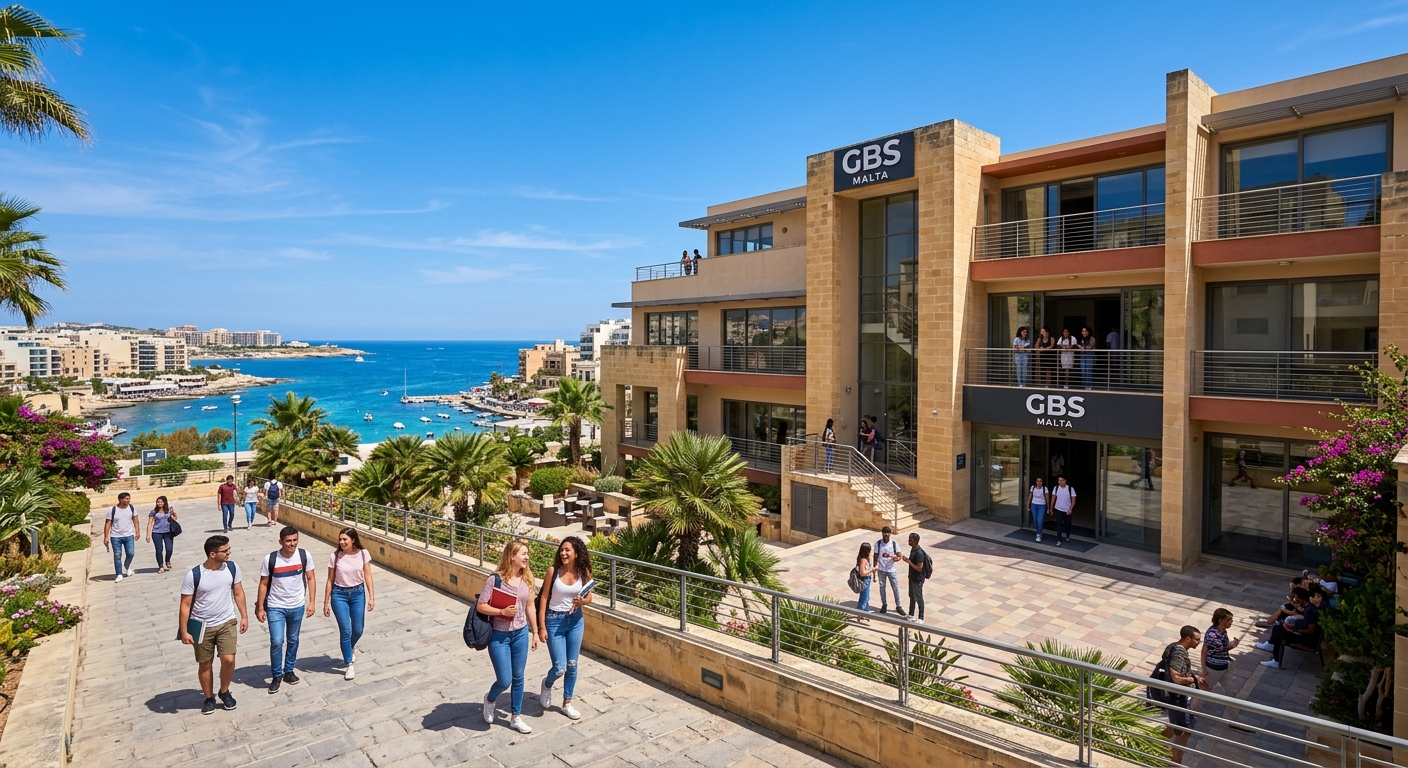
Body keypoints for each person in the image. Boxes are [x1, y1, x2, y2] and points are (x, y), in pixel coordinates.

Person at [179, 535, 249, 716]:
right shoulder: (194, 575)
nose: (229, 553)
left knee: (229, 660)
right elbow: (185, 605)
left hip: (226, 621)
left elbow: (239, 592)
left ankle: (224, 691)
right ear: (212, 554)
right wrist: (185, 630)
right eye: (225, 551)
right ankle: (209, 698)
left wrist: (244, 616)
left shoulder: (232, 568)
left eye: (228, 549)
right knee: (205, 664)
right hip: (201, 625)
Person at [480, 540, 540, 733]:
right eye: (523, 554)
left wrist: (536, 632)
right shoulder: (495, 579)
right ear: (512, 556)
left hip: (520, 633)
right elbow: (481, 605)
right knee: (504, 680)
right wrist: (501, 611)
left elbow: (530, 605)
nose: (527, 557)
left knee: (519, 677)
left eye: (527, 554)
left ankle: (516, 716)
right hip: (499, 636)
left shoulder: (527, 579)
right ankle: (490, 699)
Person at [537, 536, 591, 720]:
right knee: (560, 667)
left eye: (567, 550)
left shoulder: (583, 571)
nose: (563, 553)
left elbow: (589, 596)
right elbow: (543, 598)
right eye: (562, 549)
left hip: (575, 620)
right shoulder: (553, 571)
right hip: (554, 621)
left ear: (577, 553)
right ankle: (547, 683)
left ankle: (567, 703)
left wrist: (583, 601)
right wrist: (541, 627)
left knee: (572, 664)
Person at [256, 527, 316, 694]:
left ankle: (288, 670)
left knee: (293, 639)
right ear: (280, 541)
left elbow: (310, 578)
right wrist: (260, 607)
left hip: (297, 605)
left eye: (295, 540)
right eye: (289, 541)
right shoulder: (271, 559)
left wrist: (312, 602)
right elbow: (263, 584)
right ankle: (276, 675)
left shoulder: (304, 556)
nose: (292, 544)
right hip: (276, 606)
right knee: (276, 641)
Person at [323, 527, 374, 681]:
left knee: (358, 630)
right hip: (339, 595)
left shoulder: (363, 554)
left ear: (353, 540)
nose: (342, 542)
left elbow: (368, 575)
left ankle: (348, 648)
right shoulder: (335, 557)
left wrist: (372, 596)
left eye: (345, 539)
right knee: (346, 630)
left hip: (358, 593)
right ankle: (349, 664)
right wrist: (325, 602)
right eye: (340, 539)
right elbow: (330, 580)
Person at [1160, 626, 1206, 765]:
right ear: (1188, 639)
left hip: (1177, 697)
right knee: (1184, 732)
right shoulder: (1179, 654)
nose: (1199, 642)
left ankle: (1152, 743)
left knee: (1176, 727)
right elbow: (1176, 678)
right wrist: (1192, 680)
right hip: (1178, 698)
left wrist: (1194, 677)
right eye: (1197, 640)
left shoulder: (1172, 646)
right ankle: (1174, 764)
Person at [1259, 589, 1322, 669]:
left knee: (1278, 631)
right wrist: (1292, 627)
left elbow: (1310, 630)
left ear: (1300, 597)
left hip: (1306, 638)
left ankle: (1276, 660)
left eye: (1296, 597)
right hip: (1301, 633)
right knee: (1279, 627)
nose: (1295, 599)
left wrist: (1295, 630)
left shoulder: (1310, 610)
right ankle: (1272, 648)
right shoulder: (1308, 608)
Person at [895, 532, 932, 622]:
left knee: (919, 598)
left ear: (915, 541)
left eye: (910, 540)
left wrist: (909, 562)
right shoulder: (913, 549)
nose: (909, 541)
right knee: (911, 596)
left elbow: (919, 568)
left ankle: (921, 617)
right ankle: (911, 614)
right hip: (912, 577)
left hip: (918, 579)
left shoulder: (919, 553)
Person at [103, 492, 140, 582]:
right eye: (126, 499)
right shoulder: (112, 510)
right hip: (116, 536)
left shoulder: (132, 508)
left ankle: (127, 566)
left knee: (130, 553)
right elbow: (108, 523)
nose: (128, 500)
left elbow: (136, 520)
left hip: (129, 535)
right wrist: (106, 537)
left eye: (129, 499)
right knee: (117, 555)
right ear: (120, 499)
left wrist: (137, 531)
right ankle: (119, 574)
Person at [1201, 608, 1239, 695]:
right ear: (1221, 621)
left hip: (1224, 664)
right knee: (1205, 688)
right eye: (1229, 620)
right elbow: (1217, 648)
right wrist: (1204, 668)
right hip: (1214, 667)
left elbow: (1222, 648)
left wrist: (1231, 645)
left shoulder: (1223, 631)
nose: (1231, 622)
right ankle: (1193, 707)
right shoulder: (1212, 634)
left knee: (1229, 687)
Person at [871, 526, 902, 615]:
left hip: (891, 570)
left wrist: (896, 558)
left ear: (890, 534)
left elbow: (899, 555)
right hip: (881, 570)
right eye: (884, 532)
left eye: (888, 533)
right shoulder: (878, 544)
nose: (886, 534)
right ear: (882, 533)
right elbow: (875, 556)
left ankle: (898, 606)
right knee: (882, 588)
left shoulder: (894, 544)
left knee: (895, 588)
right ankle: (884, 604)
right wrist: (874, 569)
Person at [145, 495, 178, 574]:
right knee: (159, 550)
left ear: (164, 502)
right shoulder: (154, 512)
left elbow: (175, 519)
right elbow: (150, 523)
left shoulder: (168, 511)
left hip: (168, 532)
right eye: (158, 502)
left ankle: (167, 560)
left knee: (169, 549)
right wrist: (148, 535)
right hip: (157, 533)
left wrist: (173, 513)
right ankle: (161, 566)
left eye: (161, 502)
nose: (159, 503)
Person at [1052, 475, 1076, 546]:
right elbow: (1053, 498)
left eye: (1062, 480)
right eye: (1059, 480)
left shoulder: (1070, 489)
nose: (1061, 482)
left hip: (1067, 510)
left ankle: (1067, 535)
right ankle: (1059, 539)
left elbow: (1073, 500)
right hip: (1058, 509)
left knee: (1067, 524)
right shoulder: (1056, 488)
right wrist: (1051, 508)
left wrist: (1070, 509)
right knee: (1058, 525)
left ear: (1065, 480)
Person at [854, 542, 874, 615]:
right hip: (865, 580)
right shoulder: (863, 560)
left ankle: (865, 610)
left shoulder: (865, 559)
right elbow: (862, 573)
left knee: (866, 597)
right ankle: (861, 613)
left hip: (867, 580)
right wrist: (872, 569)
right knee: (864, 598)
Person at [1027, 476, 1049, 543]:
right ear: (1036, 482)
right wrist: (1028, 505)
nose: (1039, 482)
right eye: (1038, 481)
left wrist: (1048, 508)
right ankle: (1038, 531)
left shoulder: (1045, 489)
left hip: (1042, 505)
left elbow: (1047, 498)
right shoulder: (1033, 487)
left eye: (1040, 481)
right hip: (1034, 505)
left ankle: (1039, 534)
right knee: (1035, 520)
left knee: (1040, 520)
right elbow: (1030, 496)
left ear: (1042, 482)